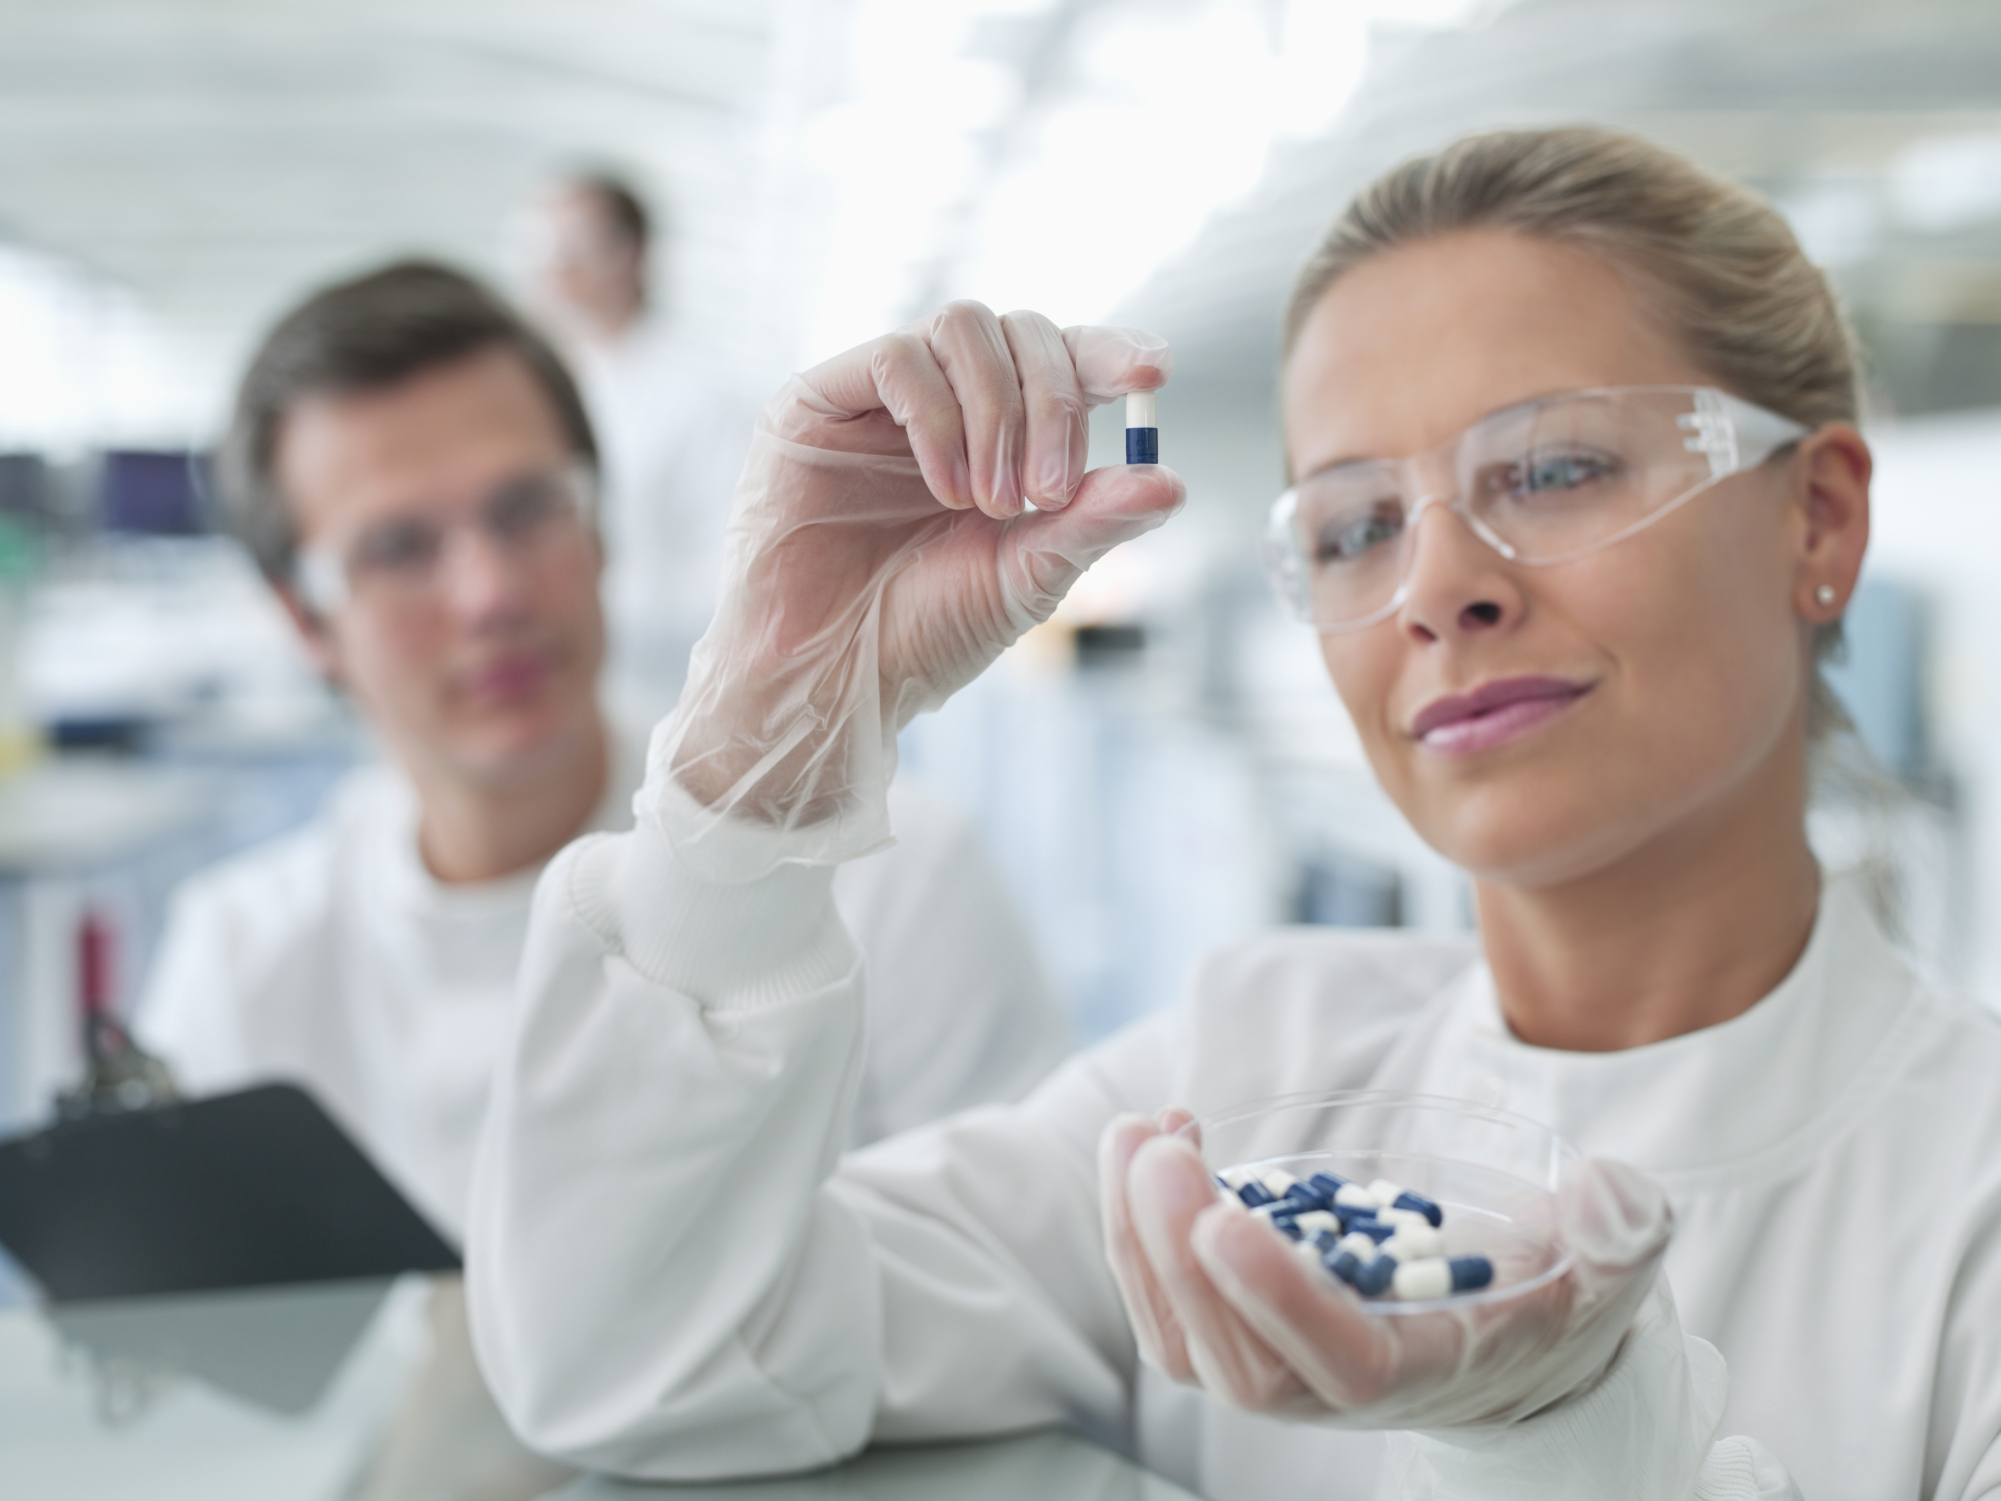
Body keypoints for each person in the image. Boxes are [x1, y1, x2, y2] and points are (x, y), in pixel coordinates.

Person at [464, 128, 2001, 1501]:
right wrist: (763, 736)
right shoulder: (1241, 1081)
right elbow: (643, 1356)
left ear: (1818, 516)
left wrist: (1567, 1437)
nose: (1436, 586)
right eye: (1354, 526)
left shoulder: (1967, 1196)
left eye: (1555, 467)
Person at [136, 260, 1069, 1243]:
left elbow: (1033, 1278)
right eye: (401, 548)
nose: (490, 592)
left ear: (600, 526)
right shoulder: (241, 964)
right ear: (305, 622)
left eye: (526, 510)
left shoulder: (890, 872)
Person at [522, 171, 753, 721]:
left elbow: (737, 570)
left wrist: (605, 617)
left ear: (631, 253)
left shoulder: (699, 398)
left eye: (575, 244)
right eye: (544, 247)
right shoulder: (544, 391)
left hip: (664, 701)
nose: (557, 267)